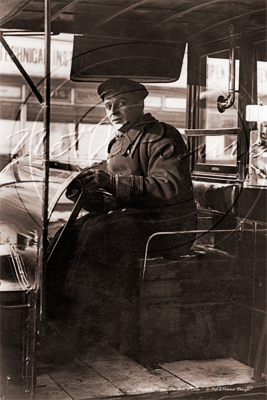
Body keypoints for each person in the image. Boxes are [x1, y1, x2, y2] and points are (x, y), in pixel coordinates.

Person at [45, 78, 198, 361]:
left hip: (170, 225)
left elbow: (167, 189)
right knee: (69, 231)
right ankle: (47, 317)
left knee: (96, 231)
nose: (113, 110)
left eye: (121, 103)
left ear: (140, 103)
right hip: (139, 220)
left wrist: (113, 183)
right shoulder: (119, 141)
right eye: (108, 105)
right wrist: (87, 192)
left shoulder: (163, 136)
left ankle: (73, 332)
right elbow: (115, 198)